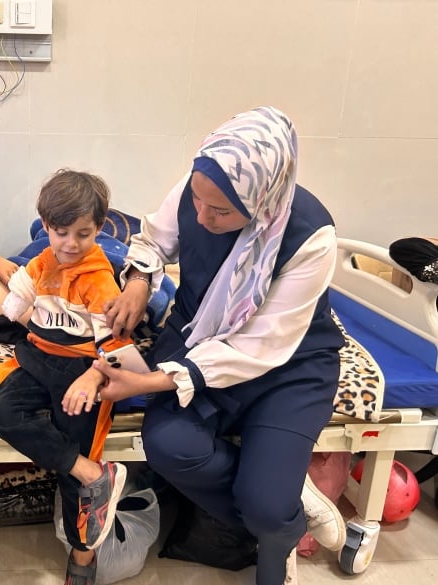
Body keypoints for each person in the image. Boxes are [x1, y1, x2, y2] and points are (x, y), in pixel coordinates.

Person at [98, 107, 346, 585]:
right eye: (196, 199)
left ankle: (275, 537)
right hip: (199, 335)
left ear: (263, 198)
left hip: (287, 363)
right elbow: (155, 240)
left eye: (220, 211)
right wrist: (138, 281)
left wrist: (151, 379)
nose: (201, 216)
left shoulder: (310, 236)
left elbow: (259, 345)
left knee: (265, 505)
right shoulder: (205, 184)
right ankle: (289, 513)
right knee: (170, 446)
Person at [0, 169, 134, 585]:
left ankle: (82, 560)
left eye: (83, 234)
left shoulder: (99, 281)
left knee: (76, 465)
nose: (71, 244)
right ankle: (91, 472)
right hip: (38, 358)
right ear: (46, 226)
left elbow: (118, 350)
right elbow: (22, 288)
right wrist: (17, 303)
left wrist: (92, 378)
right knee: (2, 410)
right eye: (61, 231)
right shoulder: (43, 261)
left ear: (99, 229)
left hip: (82, 369)